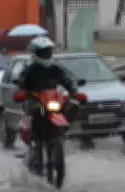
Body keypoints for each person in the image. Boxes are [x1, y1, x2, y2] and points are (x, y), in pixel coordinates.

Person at [16, 36, 82, 168]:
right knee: (31, 111)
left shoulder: (56, 68)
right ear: (35, 53)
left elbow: (67, 80)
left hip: (52, 100)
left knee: (74, 105)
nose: (46, 55)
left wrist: (74, 91)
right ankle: (33, 140)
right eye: (43, 52)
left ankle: (62, 131)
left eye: (48, 51)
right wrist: (24, 92)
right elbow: (21, 83)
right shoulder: (30, 69)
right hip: (34, 100)